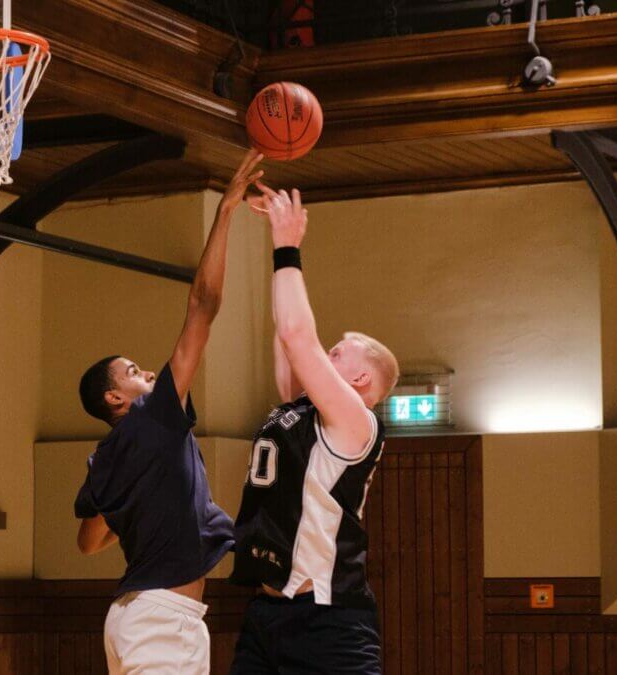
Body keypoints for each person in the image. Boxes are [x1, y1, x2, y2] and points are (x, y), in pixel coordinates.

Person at [74, 150, 265, 675]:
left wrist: (136, 508)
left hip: (139, 616)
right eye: (134, 370)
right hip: (162, 618)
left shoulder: (106, 458)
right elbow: (203, 304)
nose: (149, 374)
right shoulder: (154, 417)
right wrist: (224, 212)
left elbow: (88, 542)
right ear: (116, 398)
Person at [229, 184, 399, 674]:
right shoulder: (301, 410)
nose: (329, 352)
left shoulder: (356, 423)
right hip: (267, 612)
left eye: (340, 351)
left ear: (360, 379)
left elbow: (297, 335)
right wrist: (273, 241)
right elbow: (289, 338)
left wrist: (288, 244)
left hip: (328, 622)